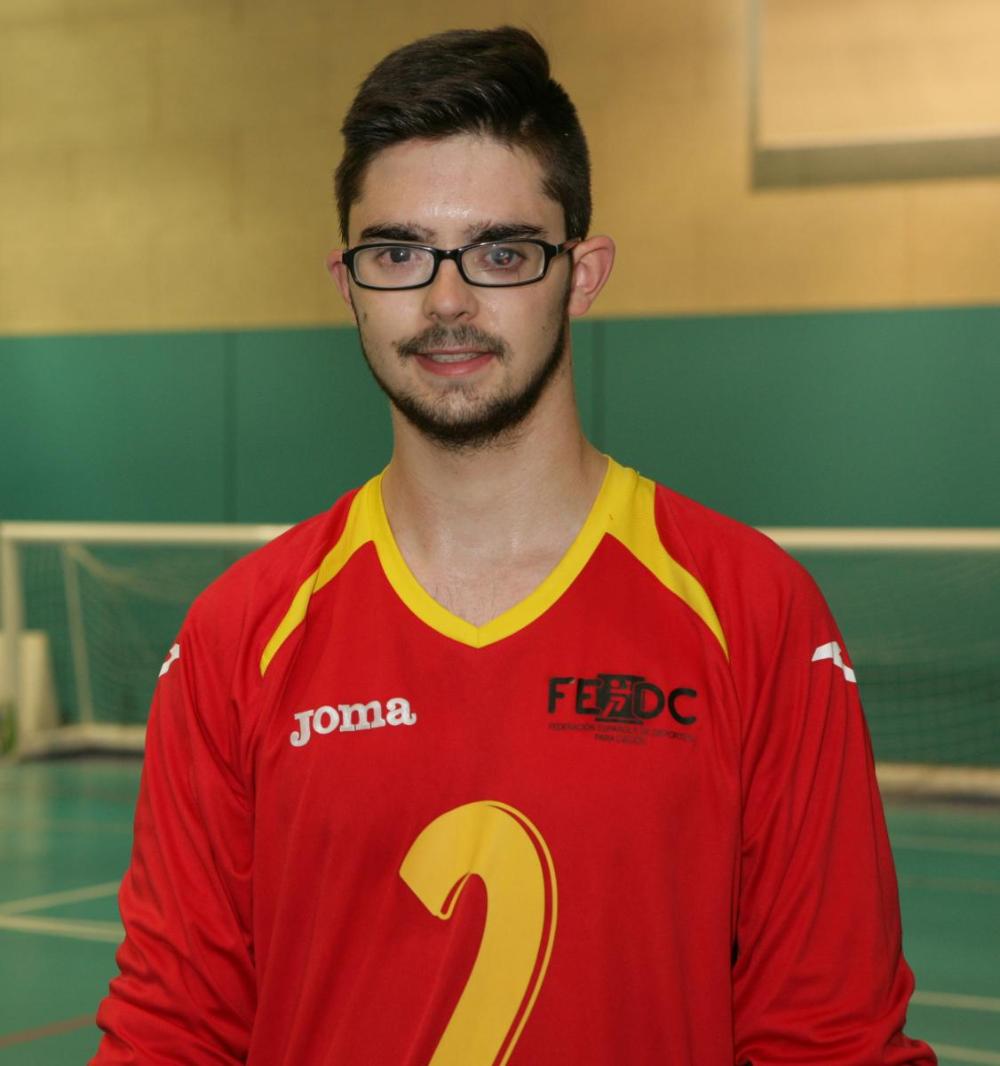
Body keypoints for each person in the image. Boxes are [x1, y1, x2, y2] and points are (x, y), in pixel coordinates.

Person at [93, 26, 936, 1066]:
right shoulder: (239, 635)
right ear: (347, 281)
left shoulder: (751, 611)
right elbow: (174, 1033)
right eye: (398, 252)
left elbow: (830, 1037)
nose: (446, 302)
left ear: (581, 274)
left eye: (500, 251)